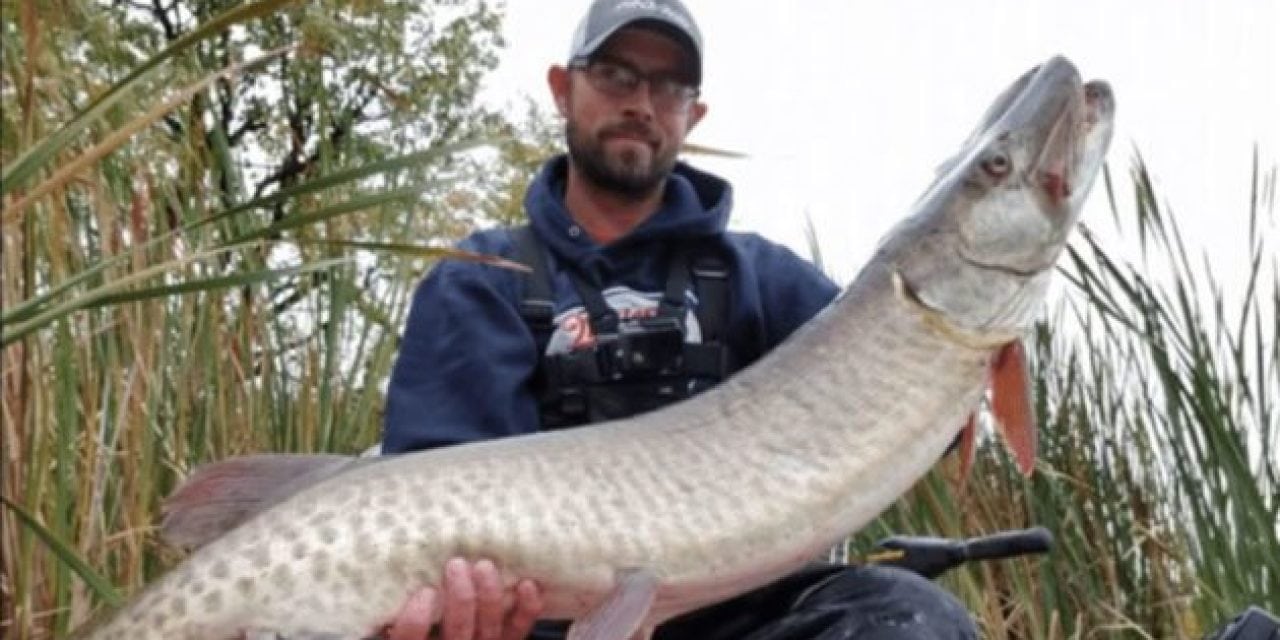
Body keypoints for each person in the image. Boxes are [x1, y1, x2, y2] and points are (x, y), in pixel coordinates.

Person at [379, 1, 979, 638]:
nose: (641, 102)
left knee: (910, 616)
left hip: (738, 618)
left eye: (669, 86)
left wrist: (955, 364)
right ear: (562, 88)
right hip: (545, 620)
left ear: (693, 115)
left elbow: (898, 415)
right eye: (615, 74)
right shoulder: (481, 277)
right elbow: (430, 503)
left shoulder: (763, 278)